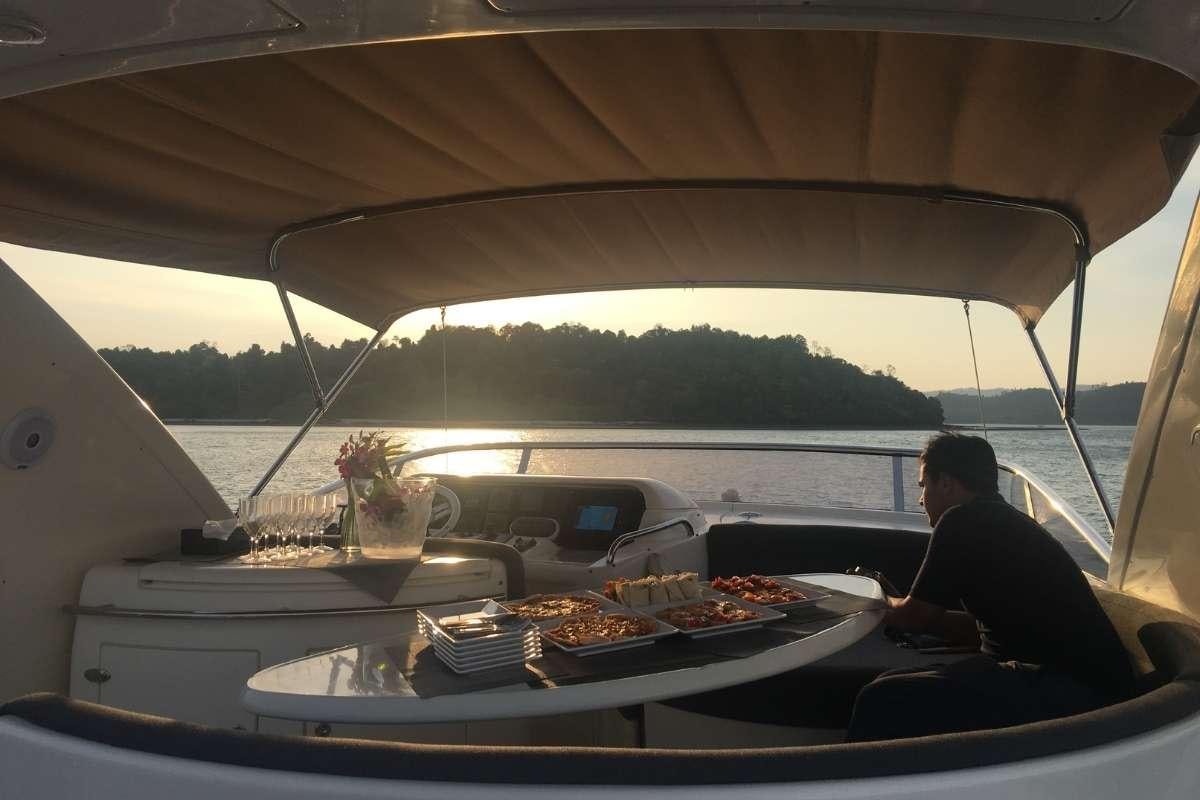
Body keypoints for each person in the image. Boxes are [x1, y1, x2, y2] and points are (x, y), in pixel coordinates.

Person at [845, 432, 1135, 742]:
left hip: (1069, 689)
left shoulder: (961, 521)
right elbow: (985, 628)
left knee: (879, 698)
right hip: (1094, 685)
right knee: (888, 681)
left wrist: (867, 598)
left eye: (923, 486)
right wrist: (896, 604)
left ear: (945, 483)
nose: (920, 499)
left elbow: (914, 618)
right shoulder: (1003, 520)